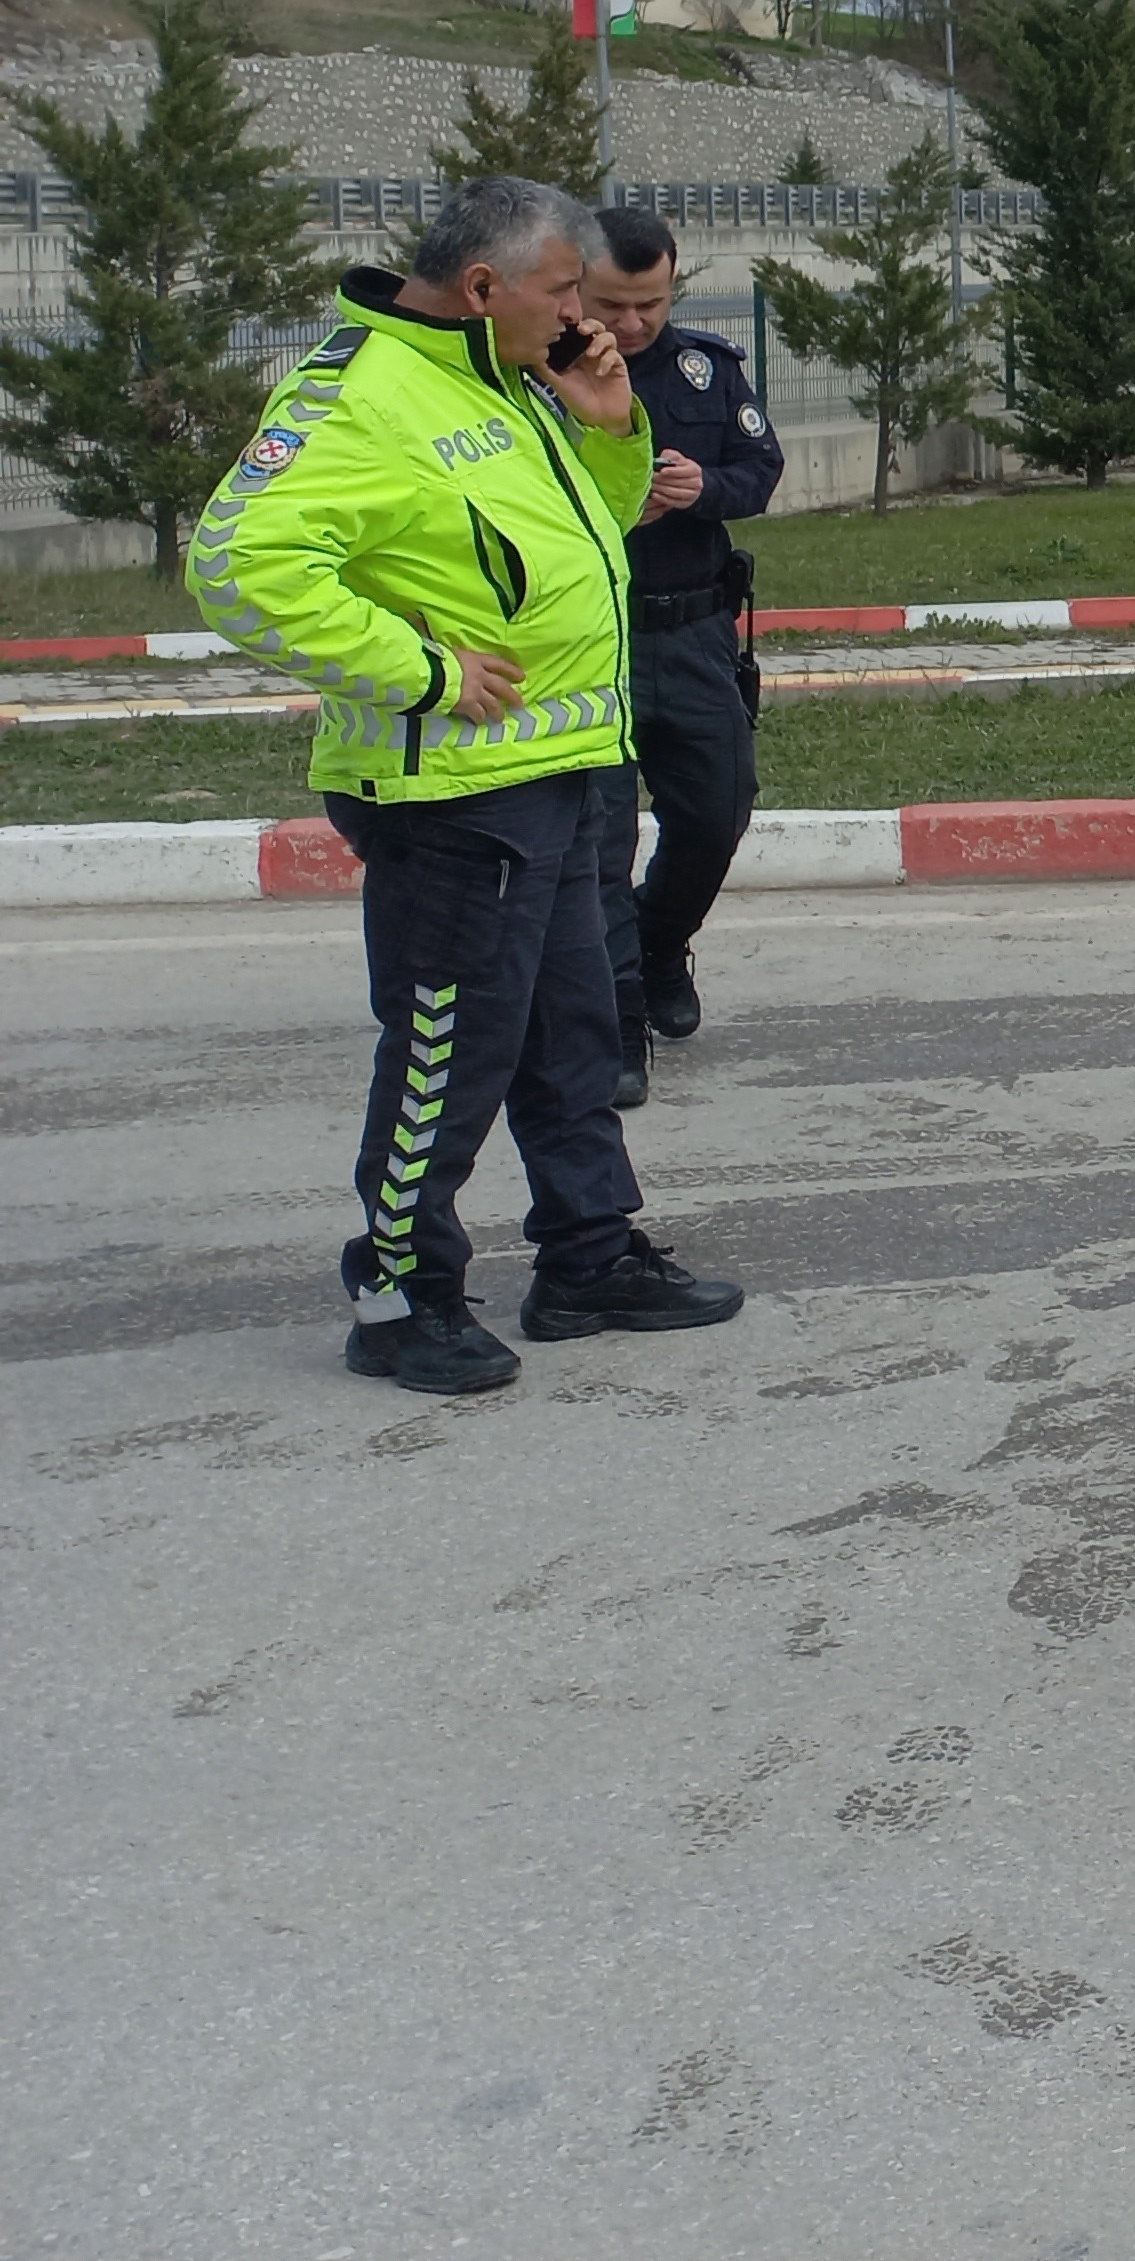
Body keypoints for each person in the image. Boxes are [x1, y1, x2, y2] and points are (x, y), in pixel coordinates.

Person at [186, 176, 746, 1397]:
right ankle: (400, 1294)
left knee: (573, 1035)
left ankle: (587, 1257)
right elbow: (236, 564)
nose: (582, 316)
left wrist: (607, 428)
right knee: (450, 1050)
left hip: (559, 770)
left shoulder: (505, 381)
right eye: (563, 294)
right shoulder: (360, 397)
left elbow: (566, 558)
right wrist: (422, 673)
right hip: (451, 793)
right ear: (484, 287)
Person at [580, 206, 782, 1092]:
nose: (630, 325)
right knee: (598, 843)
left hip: (694, 633)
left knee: (716, 813)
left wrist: (705, 490)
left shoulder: (706, 371)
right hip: (590, 643)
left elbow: (760, 470)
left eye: (649, 305)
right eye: (614, 305)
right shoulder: (541, 376)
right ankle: (615, 1027)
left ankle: (660, 946)